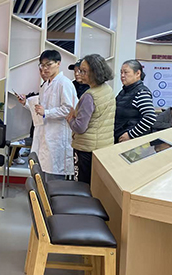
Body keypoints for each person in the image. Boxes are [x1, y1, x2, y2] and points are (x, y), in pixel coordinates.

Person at [27, 50, 78, 181]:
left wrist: (47, 112)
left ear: (58, 63)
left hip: (58, 136)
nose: (45, 68)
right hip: (46, 134)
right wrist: (28, 103)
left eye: (48, 64)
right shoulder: (45, 85)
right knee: (43, 173)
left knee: (55, 177)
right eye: (42, 65)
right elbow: (41, 107)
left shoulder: (64, 83)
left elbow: (69, 109)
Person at [67, 54, 115, 184]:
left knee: (82, 185)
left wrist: (70, 119)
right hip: (103, 146)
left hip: (86, 148)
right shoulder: (108, 90)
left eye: (83, 71)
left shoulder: (89, 96)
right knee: (96, 185)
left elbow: (80, 127)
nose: (80, 74)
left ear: (95, 72)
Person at [114, 60, 157, 143]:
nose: (122, 75)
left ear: (138, 73)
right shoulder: (124, 91)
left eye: (126, 72)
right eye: (121, 72)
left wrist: (131, 134)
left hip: (132, 142)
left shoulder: (141, 92)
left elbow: (150, 117)